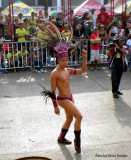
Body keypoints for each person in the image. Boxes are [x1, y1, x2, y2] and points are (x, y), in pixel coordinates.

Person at [38, 20, 87, 153]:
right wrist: (55, 107)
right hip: (62, 99)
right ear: (58, 59)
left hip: (70, 97)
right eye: (63, 60)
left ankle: (61, 138)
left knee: (70, 118)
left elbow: (83, 71)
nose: (65, 62)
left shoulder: (68, 70)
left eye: (66, 60)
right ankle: (77, 143)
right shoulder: (54, 73)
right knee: (79, 116)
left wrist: (84, 58)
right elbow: (53, 91)